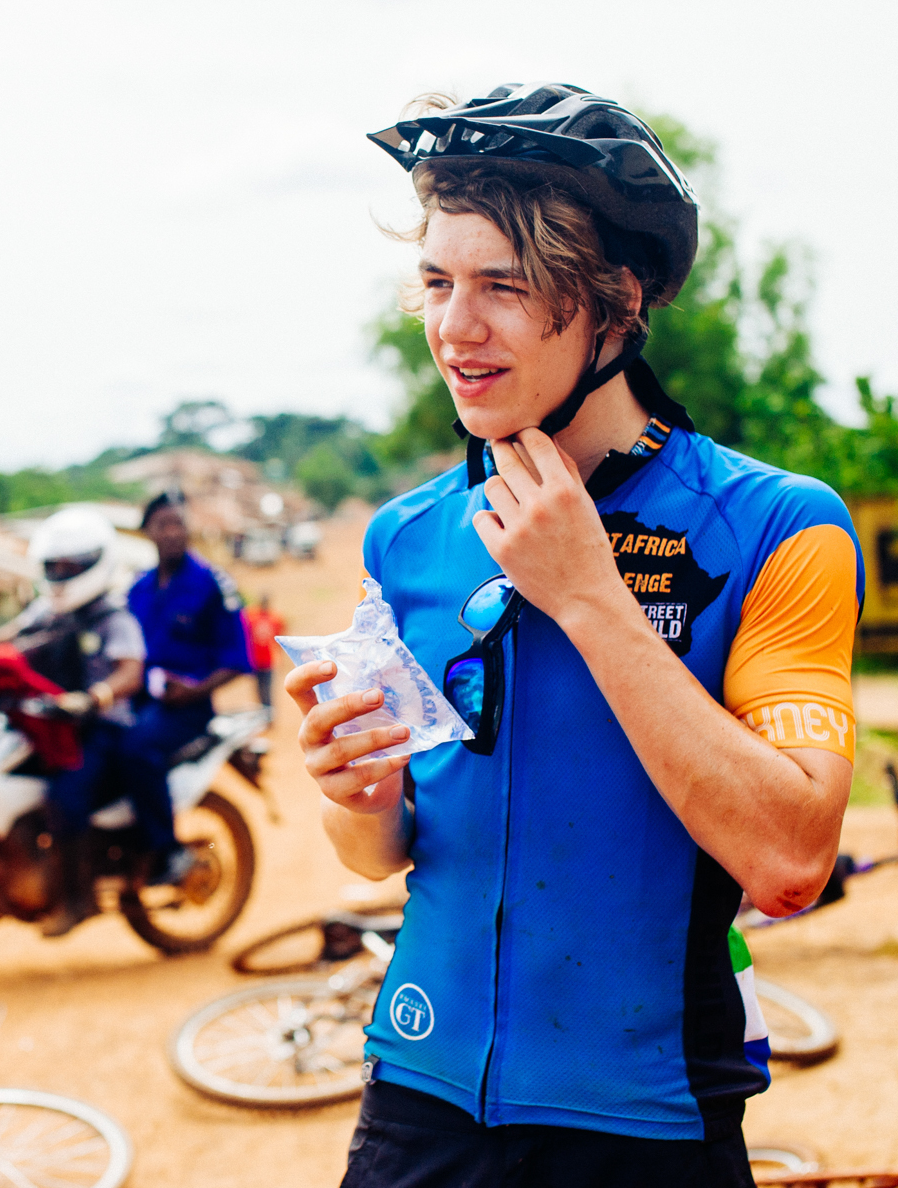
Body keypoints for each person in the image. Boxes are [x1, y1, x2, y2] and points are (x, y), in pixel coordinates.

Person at [288, 84, 863, 1188]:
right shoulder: (408, 535)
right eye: (437, 282)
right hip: (418, 1099)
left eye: (503, 286)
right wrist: (354, 794)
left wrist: (589, 596)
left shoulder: (776, 527)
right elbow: (387, 852)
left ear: (616, 302)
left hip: (644, 1122)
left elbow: (791, 858)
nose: (457, 329)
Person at [0, 506, 147, 938]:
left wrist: (95, 697)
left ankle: (80, 900)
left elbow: (130, 670)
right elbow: (8, 640)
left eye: (71, 566)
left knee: (65, 796)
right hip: (51, 723)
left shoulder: (113, 615)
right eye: (54, 566)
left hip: (101, 727)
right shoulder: (47, 611)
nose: (61, 574)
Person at [124, 493, 253, 881]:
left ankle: (168, 852)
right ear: (147, 531)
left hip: (189, 710)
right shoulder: (138, 589)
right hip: (143, 701)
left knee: (137, 748)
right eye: (163, 524)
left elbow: (237, 659)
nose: (173, 533)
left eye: (178, 523)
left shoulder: (211, 583)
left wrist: (194, 691)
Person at [244, 593, 285, 718]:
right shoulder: (271, 618)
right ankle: (265, 716)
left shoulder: (254, 618)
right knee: (263, 690)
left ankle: (267, 716)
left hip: (263, 660)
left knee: (264, 690)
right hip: (258, 660)